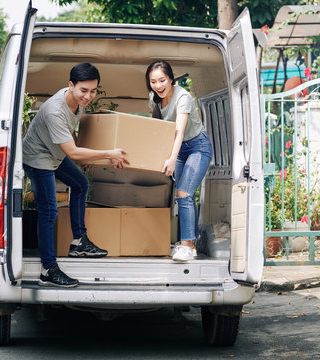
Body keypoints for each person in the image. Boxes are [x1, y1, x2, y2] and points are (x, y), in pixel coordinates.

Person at [23, 62, 129, 287]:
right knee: (48, 211)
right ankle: (47, 269)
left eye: (93, 91)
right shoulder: (54, 110)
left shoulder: (79, 103)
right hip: (38, 157)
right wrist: (107, 153)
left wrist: (85, 154)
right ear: (70, 85)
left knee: (80, 184)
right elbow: (71, 151)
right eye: (83, 90)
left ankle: (79, 241)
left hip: (55, 153)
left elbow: (71, 133)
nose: (89, 96)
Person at [145, 60, 212, 262]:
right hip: (179, 148)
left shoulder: (182, 97)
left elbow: (179, 131)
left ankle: (185, 246)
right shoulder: (153, 98)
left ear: (171, 79)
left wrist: (171, 159)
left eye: (162, 80)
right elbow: (157, 127)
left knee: (184, 193)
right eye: (153, 81)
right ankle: (189, 245)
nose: (158, 85)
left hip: (197, 147)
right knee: (180, 196)